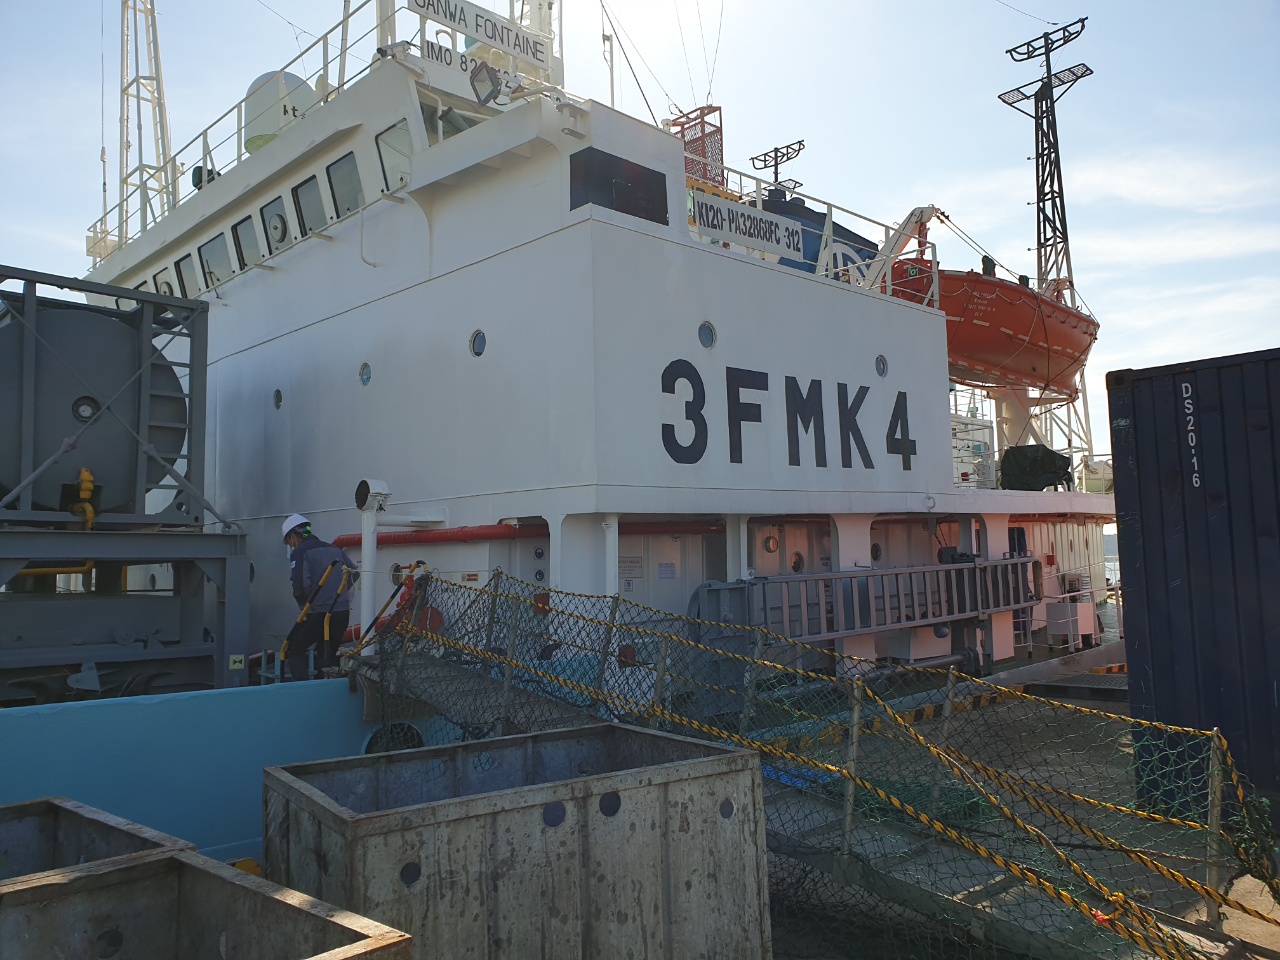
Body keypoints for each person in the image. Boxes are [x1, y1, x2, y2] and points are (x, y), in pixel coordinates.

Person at [282, 513, 358, 680]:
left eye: (289, 542)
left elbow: (301, 585)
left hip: (317, 612)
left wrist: (304, 606)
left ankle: (303, 690)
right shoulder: (334, 549)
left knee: (294, 649)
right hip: (341, 612)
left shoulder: (300, 552)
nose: (291, 546)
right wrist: (337, 592)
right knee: (326, 655)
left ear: (293, 536)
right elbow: (354, 573)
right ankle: (324, 688)